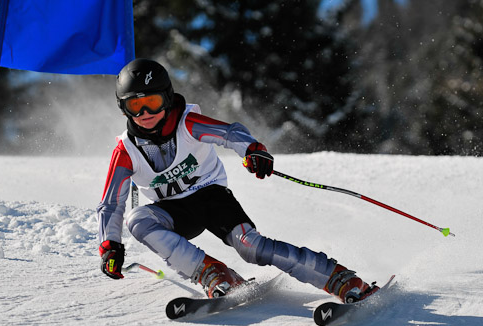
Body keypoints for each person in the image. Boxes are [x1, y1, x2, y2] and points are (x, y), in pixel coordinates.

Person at [96, 58, 378, 303]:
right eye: (136, 105)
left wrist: (253, 150)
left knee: (251, 246)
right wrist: (110, 246)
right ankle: (212, 273)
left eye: (152, 103)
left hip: (212, 198)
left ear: (167, 98)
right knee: (138, 219)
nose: (145, 114)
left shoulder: (187, 124)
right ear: (124, 109)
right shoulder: (125, 152)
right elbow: (111, 204)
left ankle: (338, 278)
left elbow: (230, 133)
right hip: (174, 212)